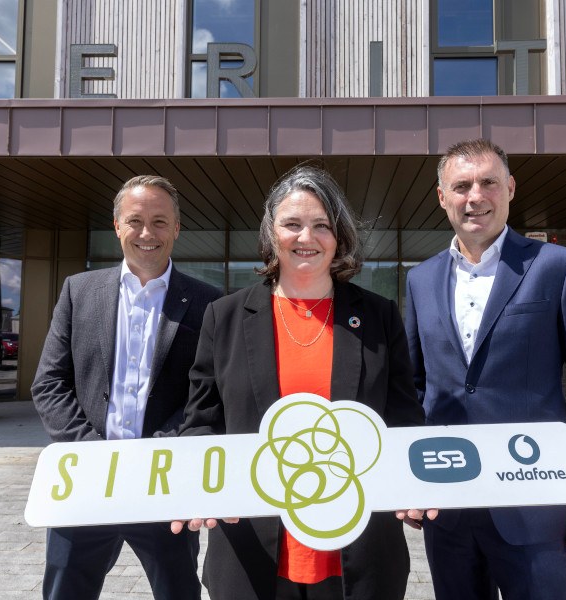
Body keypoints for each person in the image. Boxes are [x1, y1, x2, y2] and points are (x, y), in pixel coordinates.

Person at [173, 165, 426, 600]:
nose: (305, 238)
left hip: (358, 559)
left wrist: (415, 485)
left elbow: (404, 417)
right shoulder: (225, 317)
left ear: (339, 237)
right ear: (272, 234)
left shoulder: (379, 317)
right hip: (252, 556)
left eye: (321, 226)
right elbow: (202, 422)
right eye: (292, 224)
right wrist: (198, 487)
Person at [405, 139, 566, 600]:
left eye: (488, 182)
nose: (475, 196)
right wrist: (404, 479)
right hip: (449, 506)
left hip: (534, 503)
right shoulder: (419, 280)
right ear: (442, 197)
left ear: (510, 188)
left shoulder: (557, 268)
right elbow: (415, 390)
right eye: (461, 186)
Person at [31, 175, 222, 600]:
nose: (146, 233)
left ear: (177, 228)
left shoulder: (210, 303)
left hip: (163, 485)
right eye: (135, 220)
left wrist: (154, 452)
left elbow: (207, 395)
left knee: (177, 591)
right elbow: (49, 384)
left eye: (159, 221)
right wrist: (93, 454)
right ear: (117, 225)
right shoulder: (79, 291)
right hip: (85, 485)